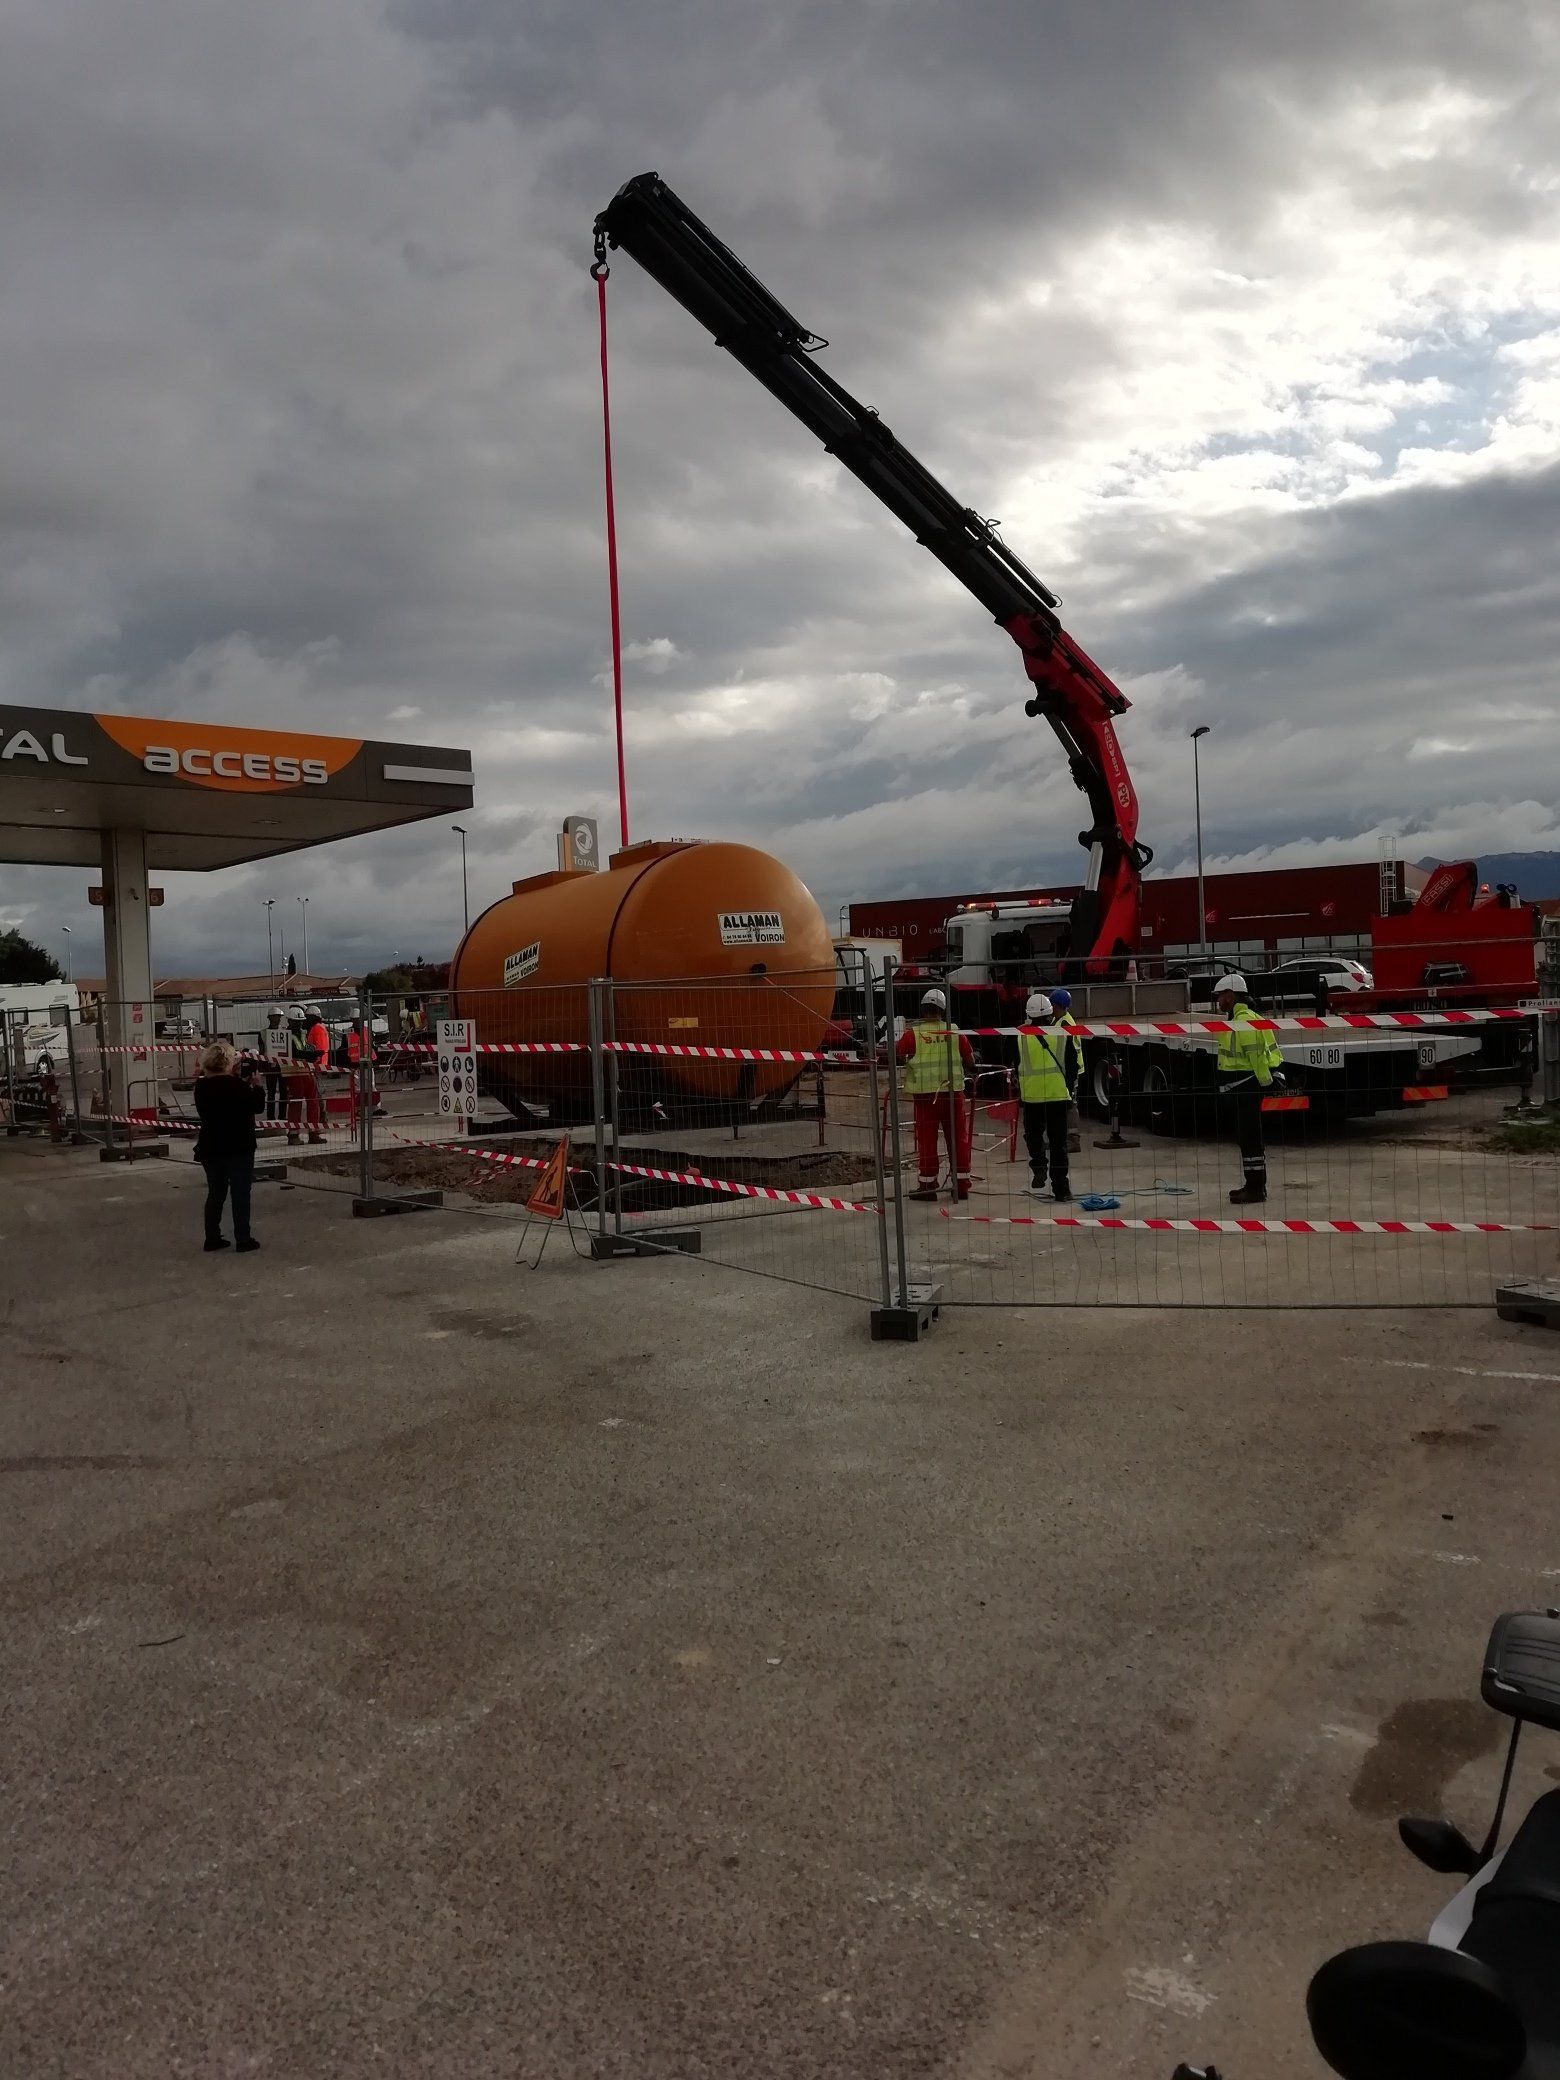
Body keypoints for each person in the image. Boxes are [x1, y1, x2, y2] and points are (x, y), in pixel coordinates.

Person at [897, 987, 975, 1201]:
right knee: (958, 1139)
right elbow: (970, 1061)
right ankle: (961, 1185)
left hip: (926, 1097)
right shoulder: (954, 1031)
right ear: (943, 1010)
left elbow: (898, 1054)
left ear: (923, 1010)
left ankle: (928, 1186)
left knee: (927, 1141)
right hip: (953, 1094)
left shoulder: (913, 1034)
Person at [1213, 973, 1284, 1204]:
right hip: (1245, 1086)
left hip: (1246, 1087)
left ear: (1231, 995)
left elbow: (1257, 1057)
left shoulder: (1243, 1022)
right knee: (1248, 1137)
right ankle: (1253, 1184)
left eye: (1220, 995)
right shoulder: (1246, 1018)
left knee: (1250, 1138)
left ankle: (1255, 1188)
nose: (1218, 1000)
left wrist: (1266, 1083)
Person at [193, 1041, 264, 1252]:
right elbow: (257, 1106)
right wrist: (257, 1086)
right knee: (240, 1193)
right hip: (239, 1145)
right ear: (228, 1062)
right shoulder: (238, 1086)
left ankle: (212, 1237)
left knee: (216, 1193)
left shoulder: (201, 1087)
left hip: (211, 1146)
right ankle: (243, 1238)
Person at [1018, 990, 1079, 1201]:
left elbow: (1014, 1064)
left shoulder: (1019, 1037)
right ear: (1049, 1012)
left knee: (1033, 1136)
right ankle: (1061, 1189)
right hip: (1057, 1097)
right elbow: (1072, 1065)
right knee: (1058, 1144)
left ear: (1029, 1014)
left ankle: (1039, 1166)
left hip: (1031, 1097)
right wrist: (1069, 1089)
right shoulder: (1060, 1034)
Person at [280, 1008, 327, 1144]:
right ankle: (293, 1134)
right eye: (297, 1021)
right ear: (289, 1021)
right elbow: (294, 1052)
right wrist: (311, 1054)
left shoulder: (301, 1033)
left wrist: (313, 1051)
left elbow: (304, 1047)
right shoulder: (285, 1035)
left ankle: (313, 1132)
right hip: (292, 1071)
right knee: (296, 1102)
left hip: (305, 1069)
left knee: (313, 1100)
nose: (300, 1024)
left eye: (301, 1021)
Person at [260, 1005, 288, 1122]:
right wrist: (263, 1065)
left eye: (279, 1017)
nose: (278, 1019)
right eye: (276, 1017)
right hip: (270, 1066)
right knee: (271, 1092)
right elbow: (261, 1050)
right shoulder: (263, 1033)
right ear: (270, 1018)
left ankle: (282, 1116)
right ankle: (270, 1117)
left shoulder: (285, 1032)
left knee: (284, 1092)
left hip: (282, 1065)